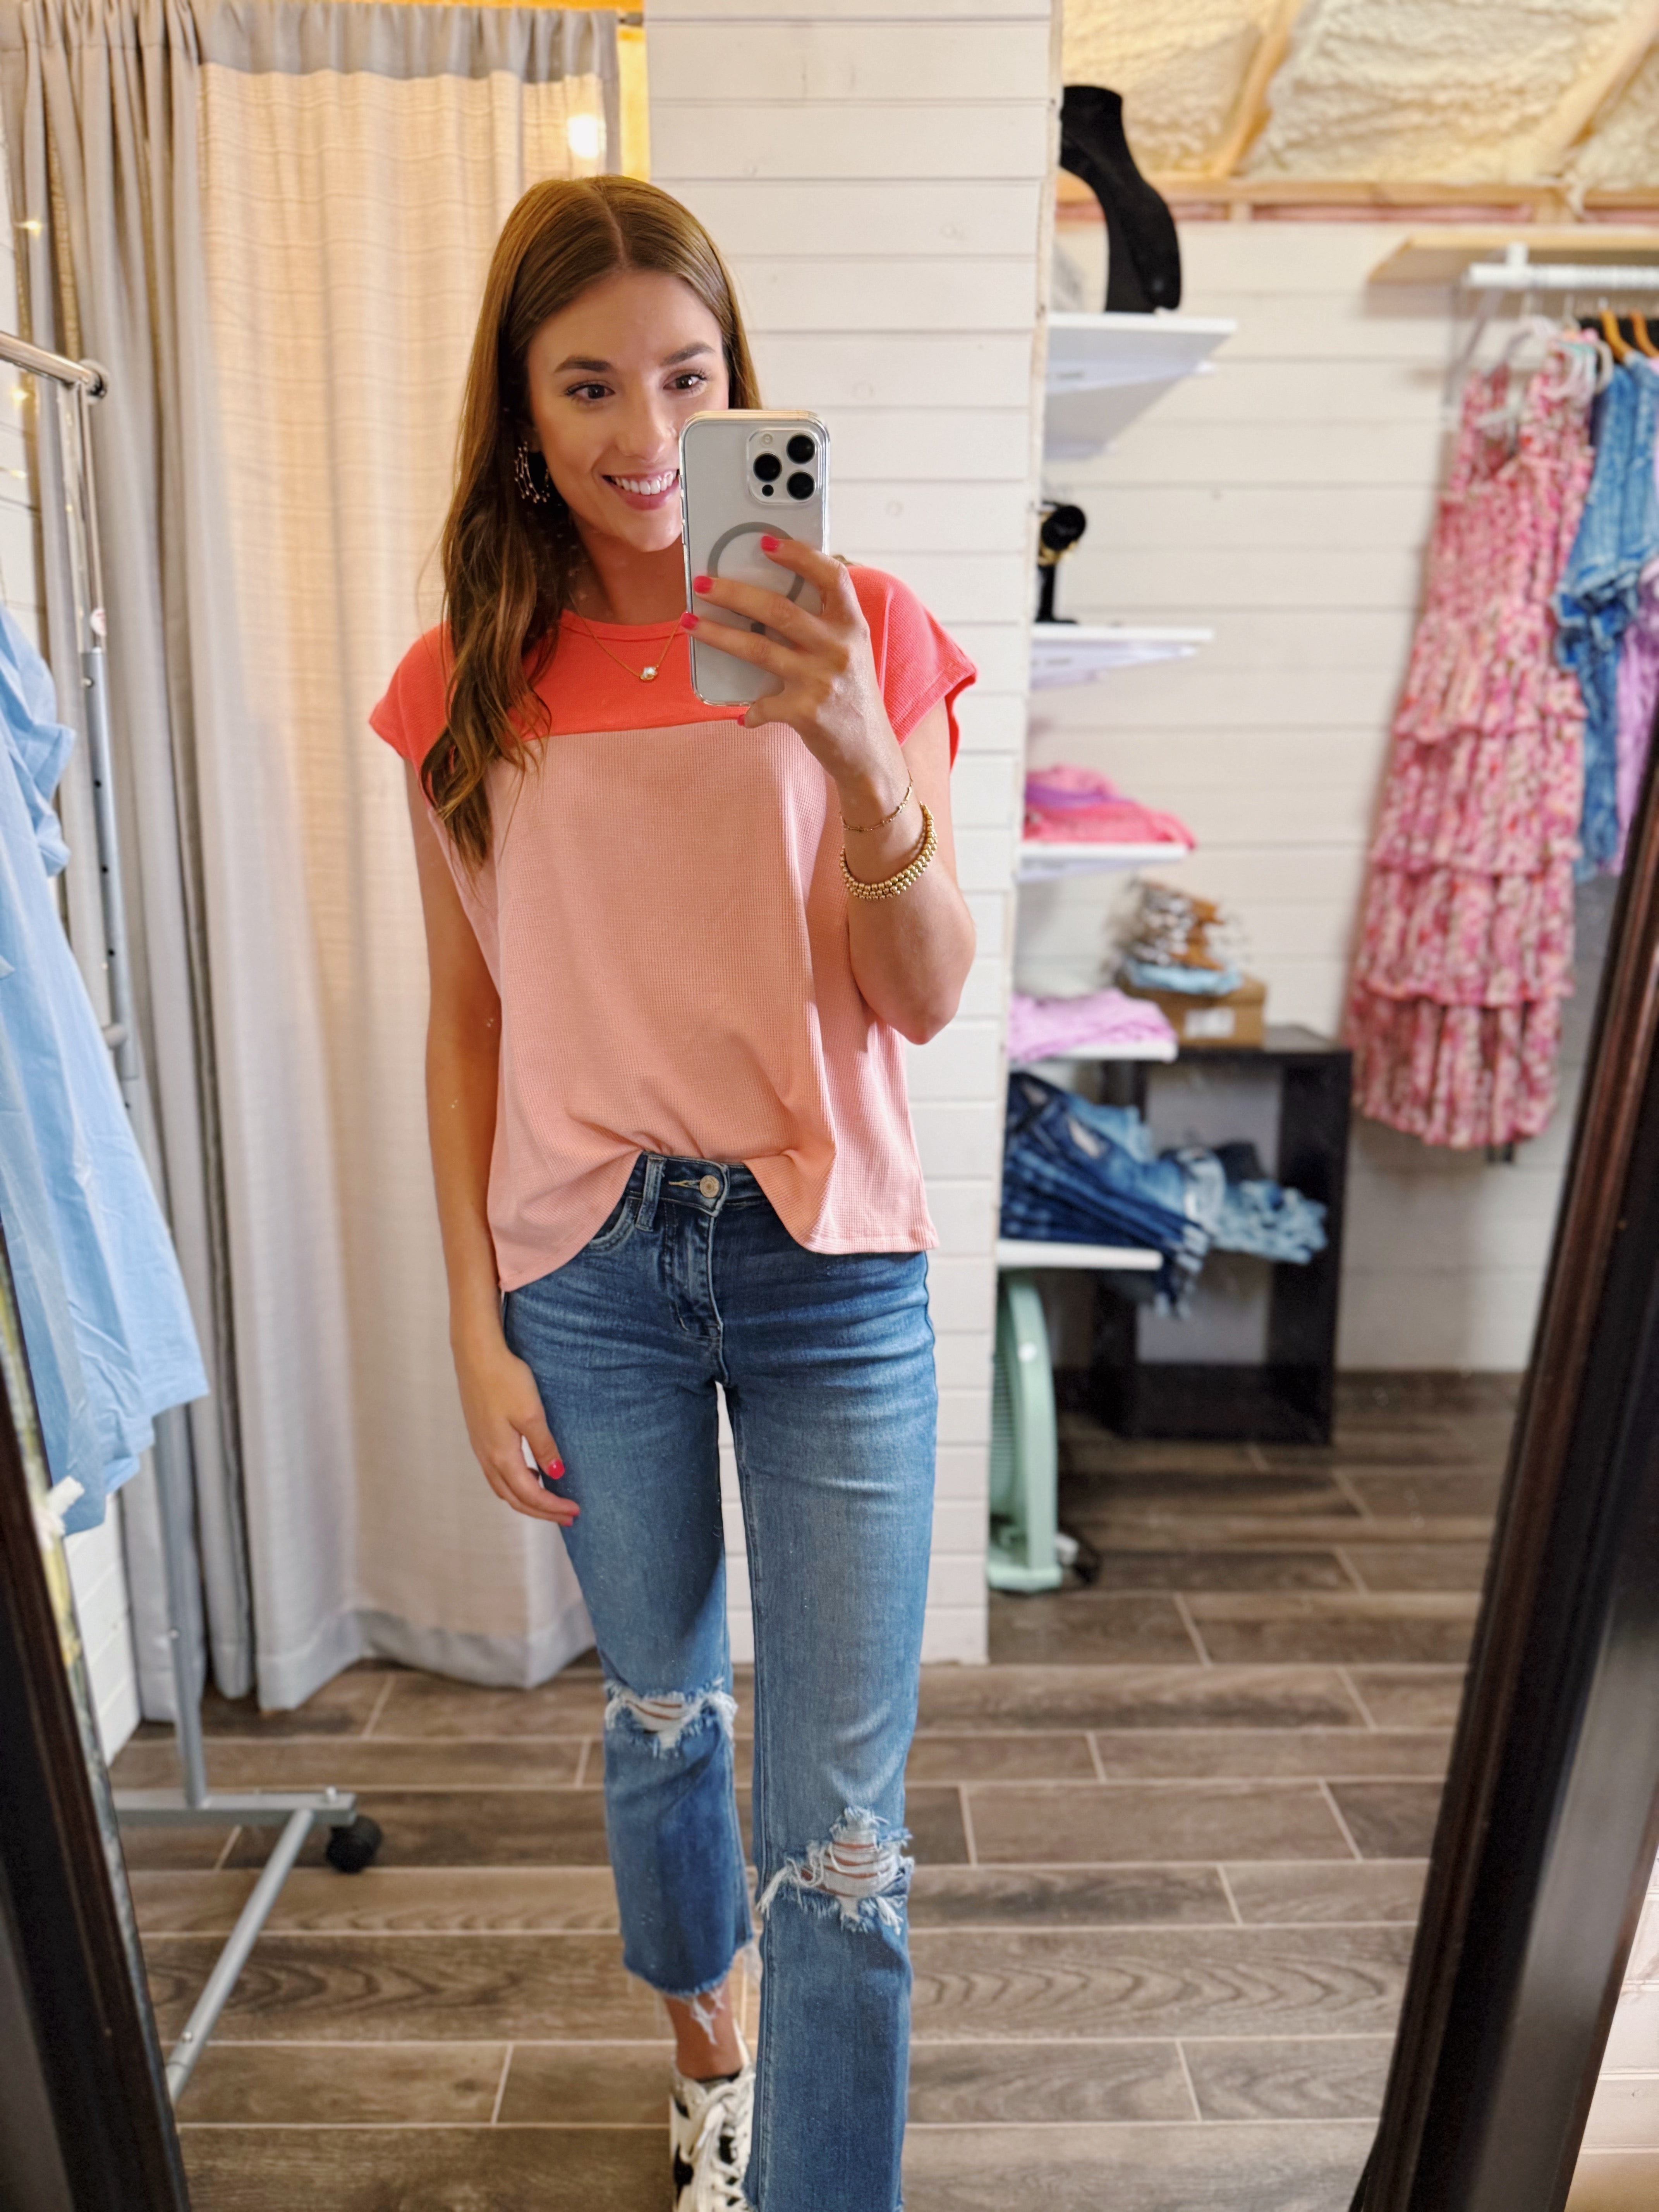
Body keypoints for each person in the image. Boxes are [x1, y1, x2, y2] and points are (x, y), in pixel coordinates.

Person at [368, 175, 976, 2212]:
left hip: (830, 1265)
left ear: (742, 388)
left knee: (846, 1842)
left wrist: (863, 754)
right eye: (591, 386)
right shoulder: (463, 683)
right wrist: (475, 1330)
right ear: (521, 412)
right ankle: (707, 2048)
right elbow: (469, 1024)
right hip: (589, 1269)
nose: (647, 436)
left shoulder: (868, 629)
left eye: (690, 379)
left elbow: (924, 995)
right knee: (655, 1712)